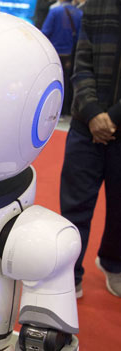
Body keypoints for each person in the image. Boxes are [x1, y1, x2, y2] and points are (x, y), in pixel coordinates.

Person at [60, 0, 121, 298]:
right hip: (86, 125)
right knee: (75, 206)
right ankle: (69, 273)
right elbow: (81, 65)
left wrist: (114, 117)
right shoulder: (97, 6)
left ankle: (114, 263)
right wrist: (94, 113)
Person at [41, 0, 82, 116]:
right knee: (66, 82)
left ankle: (49, 112)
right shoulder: (79, 13)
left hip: (53, 54)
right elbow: (79, 37)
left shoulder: (54, 11)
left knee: (50, 82)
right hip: (69, 55)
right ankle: (63, 111)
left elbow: (46, 31)